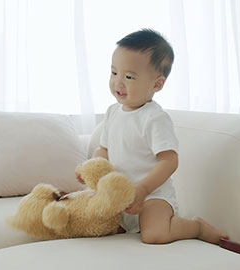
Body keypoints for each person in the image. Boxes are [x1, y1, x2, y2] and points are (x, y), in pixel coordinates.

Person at [81, 29, 228, 245]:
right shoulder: (113, 112)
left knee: (154, 235)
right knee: (94, 225)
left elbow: (169, 160)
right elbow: (104, 149)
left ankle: (196, 227)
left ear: (157, 84)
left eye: (129, 77)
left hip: (152, 196)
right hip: (121, 198)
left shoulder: (154, 118)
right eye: (114, 73)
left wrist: (143, 189)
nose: (118, 83)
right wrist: (95, 168)